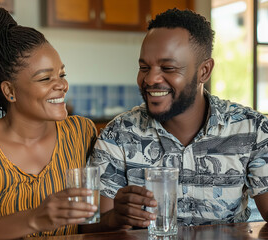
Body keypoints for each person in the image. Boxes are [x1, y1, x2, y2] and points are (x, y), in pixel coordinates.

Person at [83, 8, 268, 233]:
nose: (150, 79)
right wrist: (115, 218)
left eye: (168, 68)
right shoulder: (118, 135)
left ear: (204, 71)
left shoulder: (252, 130)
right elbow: (88, 229)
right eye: (144, 68)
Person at [0, 8, 98, 239]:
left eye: (62, 74)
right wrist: (34, 219)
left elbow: (90, 223)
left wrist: (117, 217)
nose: (61, 85)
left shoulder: (81, 132)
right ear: (10, 91)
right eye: (45, 78)